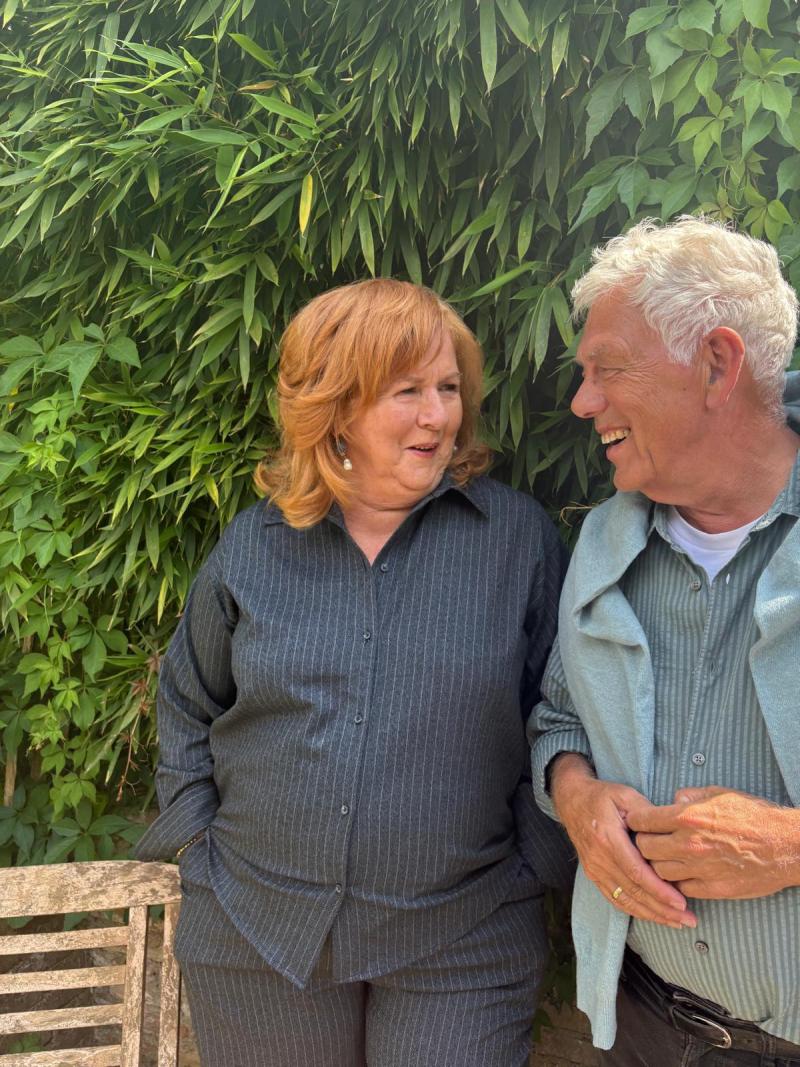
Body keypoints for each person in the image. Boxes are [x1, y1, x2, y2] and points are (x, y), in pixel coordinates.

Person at [136, 278, 571, 1066]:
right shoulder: (256, 545)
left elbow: (562, 710)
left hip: (464, 933)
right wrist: (197, 844)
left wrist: (531, 864)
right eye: (408, 391)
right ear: (336, 407)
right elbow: (188, 701)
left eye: (448, 388)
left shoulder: (517, 541)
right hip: (257, 929)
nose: (438, 415)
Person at [529, 216, 800, 1064]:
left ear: (717, 364)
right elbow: (557, 718)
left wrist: (790, 846)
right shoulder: (603, 547)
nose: (583, 402)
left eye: (608, 368)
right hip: (645, 1027)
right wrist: (576, 796)